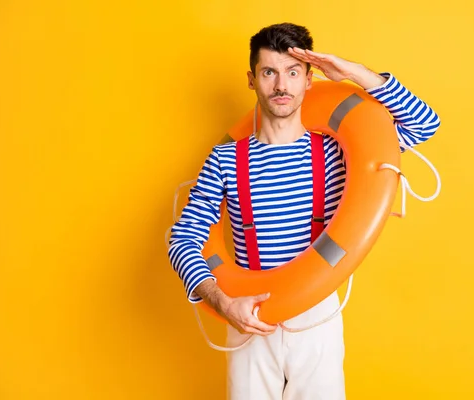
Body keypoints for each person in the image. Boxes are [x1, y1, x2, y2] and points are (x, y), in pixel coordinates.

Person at [168, 22, 441, 400]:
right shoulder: (227, 158)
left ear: (309, 80)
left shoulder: (337, 154)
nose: (281, 85)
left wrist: (353, 73)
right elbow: (183, 238)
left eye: (293, 72)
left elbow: (425, 123)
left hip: (317, 320)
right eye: (269, 72)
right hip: (250, 319)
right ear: (252, 80)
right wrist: (222, 301)